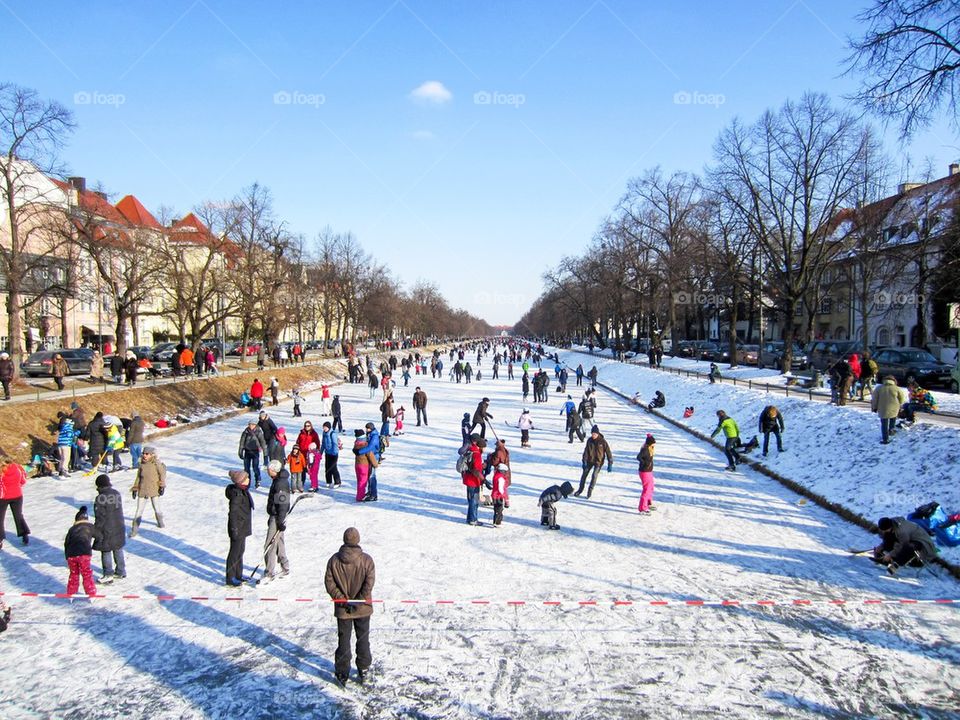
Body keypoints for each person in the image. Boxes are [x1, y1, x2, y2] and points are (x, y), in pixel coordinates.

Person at [324, 527, 376, 687]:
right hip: (362, 609)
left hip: (343, 609)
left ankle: (342, 671)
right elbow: (369, 583)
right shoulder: (367, 560)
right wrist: (358, 601)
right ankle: (364, 668)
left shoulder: (334, 560)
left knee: (343, 640)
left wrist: (343, 600)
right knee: (363, 639)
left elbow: (329, 584)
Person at [873, 516, 939, 574]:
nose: (883, 531)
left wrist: (890, 554)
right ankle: (883, 558)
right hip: (910, 540)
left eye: (884, 530)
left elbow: (903, 545)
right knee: (889, 536)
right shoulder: (892, 525)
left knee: (909, 547)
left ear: (889, 527)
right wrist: (881, 546)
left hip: (923, 545)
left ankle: (896, 564)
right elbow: (889, 539)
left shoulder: (902, 531)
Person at [93, 474, 126, 582]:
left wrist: (96, 530)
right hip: (119, 526)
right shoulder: (116, 493)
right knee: (118, 548)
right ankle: (121, 571)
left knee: (106, 550)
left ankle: (108, 574)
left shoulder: (100, 498)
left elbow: (100, 516)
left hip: (106, 528)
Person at [262, 460, 291, 582]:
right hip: (277, 516)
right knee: (279, 542)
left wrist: (280, 521)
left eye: (268, 470)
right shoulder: (278, 481)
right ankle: (285, 566)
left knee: (270, 544)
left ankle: (269, 572)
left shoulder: (280, 483)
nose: (267, 472)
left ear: (273, 470)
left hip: (277, 517)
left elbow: (283, 504)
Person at [224, 470, 254, 586]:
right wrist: (234, 529)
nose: (249, 480)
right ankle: (230, 578)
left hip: (243, 526)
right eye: (246, 478)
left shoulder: (243, 491)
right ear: (240, 482)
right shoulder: (237, 495)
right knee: (234, 552)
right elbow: (233, 514)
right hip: (237, 528)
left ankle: (238, 574)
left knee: (240, 551)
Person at [64, 505, 102, 596]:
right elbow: (99, 536)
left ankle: (71, 593)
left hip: (71, 555)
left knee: (73, 574)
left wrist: (67, 556)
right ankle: (91, 593)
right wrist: (95, 545)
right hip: (84, 554)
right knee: (86, 574)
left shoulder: (72, 529)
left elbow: (66, 543)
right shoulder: (89, 526)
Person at [130, 446, 166, 536]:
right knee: (139, 511)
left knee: (156, 508)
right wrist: (135, 488)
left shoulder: (156, 464)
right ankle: (134, 530)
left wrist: (162, 486)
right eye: (144, 454)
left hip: (154, 488)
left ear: (151, 455)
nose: (145, 455)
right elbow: (138, 477)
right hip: (143, 489)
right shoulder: (142, 464)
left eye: (147, 454)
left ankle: (160, 522)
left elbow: (162, 474)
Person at [574, 425, 613, 498]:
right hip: (589, 461)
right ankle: (580, 490)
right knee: (584, 475)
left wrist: (610, 463)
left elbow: (608, 453)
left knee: (594, 475)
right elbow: (586, 451)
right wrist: (584, 461)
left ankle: (590, 490)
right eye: (592, 434)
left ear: (598, 434)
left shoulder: (602, 441)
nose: (593, 435)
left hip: (598, 462)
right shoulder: (589, 440)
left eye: (595, 434)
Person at [0, 457, 30, 548]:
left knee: (0, 518)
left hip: (3, 497)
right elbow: (23, 480)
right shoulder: (18, 468)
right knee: (18, 516)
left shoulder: (1, 471)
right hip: (17, 495)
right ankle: (24, 535)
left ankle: (0, 539)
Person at [872, 376, 906, 444]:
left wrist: (874, 407)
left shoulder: (879, 388)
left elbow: (874, 399)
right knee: (893, 418)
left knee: (884, 424)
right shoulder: (897, 388)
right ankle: (891, 430)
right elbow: (902, 399)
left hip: (882, 408)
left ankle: (885, 439)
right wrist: (900, 405)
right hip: (894, 408)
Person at [461, 434, 486, 526]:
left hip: (468, 479)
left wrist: (483, 466)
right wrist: (483, 479)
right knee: (474, 501)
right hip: (473, 481)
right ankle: (473, 519)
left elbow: (473, 466)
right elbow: (475, 470)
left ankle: (469, 518)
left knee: (471, 499)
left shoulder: (469, 449)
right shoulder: (476, 454)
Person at [239, 419, 268, 488]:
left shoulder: (259, 432)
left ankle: (258, 480)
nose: (250, 426)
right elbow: (242, 443)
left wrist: (265, 455)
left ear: (255, 425)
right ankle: (247, 481)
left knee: (255, 467)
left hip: (255, 452)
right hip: (247, 452)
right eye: (249, 424)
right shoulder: (245, 432)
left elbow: (263, 443)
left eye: (252, 424)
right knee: (246, 469)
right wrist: (240, 451)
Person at [352, 429, 378, 502]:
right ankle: (360, 496)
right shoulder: (365, 445)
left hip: (357, 465)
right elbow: (370, 455)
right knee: (362, 481)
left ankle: (359, 494)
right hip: (364, 466)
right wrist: (375, 464)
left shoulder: (356, 444)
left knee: (359, 480)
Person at [636, 434, 656, 514]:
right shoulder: (645, 450)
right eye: (653, 443)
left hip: (649, 471)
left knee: (651, 487)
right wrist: (644, 463)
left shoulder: (650, 449)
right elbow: (638, 457)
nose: (654, 445)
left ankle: (648, 503)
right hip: (644, 472)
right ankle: (642, 508)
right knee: (646, 489)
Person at [322, 421, 342, 488]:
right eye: (324, 427)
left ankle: (337, 482)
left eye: (326, 427)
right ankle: (329, 481)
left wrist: (334, 452)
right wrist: (320, 452)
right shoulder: (324, 433)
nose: (324, 428)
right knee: (327, 467)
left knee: (333, 467)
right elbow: (323, 444)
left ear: (329, 427)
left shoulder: (332, 434)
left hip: (334, 453)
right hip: (327, 453)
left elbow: (335, 443)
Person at [55, 411, 75, 477]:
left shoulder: (63, 426)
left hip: (60, 444)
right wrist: (74, 434)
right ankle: (64, 470)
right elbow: (69, 434)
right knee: (66, 458)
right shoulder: (69, 427)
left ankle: (60, 470)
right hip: (66, 444)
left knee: (62, 458)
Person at [491, 463, 509, 527]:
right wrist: (505, 498)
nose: (506, 473)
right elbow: (501, 489)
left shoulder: (496, 475)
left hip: (495, 495)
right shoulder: (500, 478)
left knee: (497, 509)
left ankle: (497, 521)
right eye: (505, 472)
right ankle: (497, 523)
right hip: (498, 496)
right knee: (499, 509)